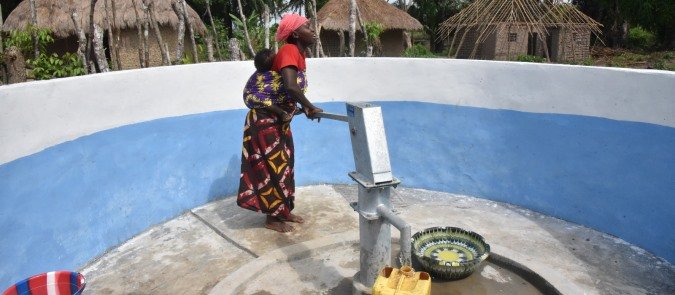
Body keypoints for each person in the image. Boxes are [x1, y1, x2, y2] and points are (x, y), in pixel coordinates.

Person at [237, 14, 323, 233]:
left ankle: (283, 211)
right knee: (271, 169)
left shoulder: (297, 54)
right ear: (295, 33)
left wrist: (303, 107)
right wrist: (310, 106)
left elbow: (288, 92)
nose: (312, 30)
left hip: (277, 123)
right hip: (265, 123)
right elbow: (291, 87)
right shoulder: (289, 50)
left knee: (284, 167)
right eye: (307, 26)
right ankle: (272, 219)